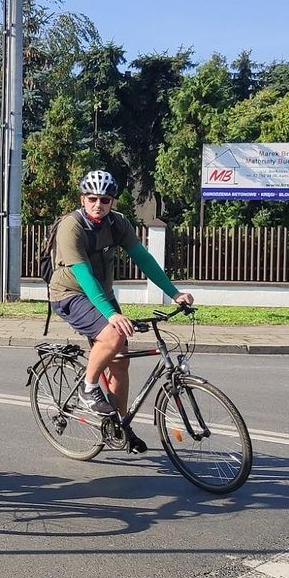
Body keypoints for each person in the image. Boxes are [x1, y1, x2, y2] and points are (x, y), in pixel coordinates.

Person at [48, 170, 194, 453]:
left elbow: (144, 259)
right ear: (83, 199)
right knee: (113, 336)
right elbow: (83, 275)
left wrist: (174, 293)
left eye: (105, 199)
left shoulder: (117, 224)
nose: (98, 204)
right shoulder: (71, 226)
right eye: (92, 198)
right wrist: (112, 315)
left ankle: (118, 424)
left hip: (102, 294)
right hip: (69, 294)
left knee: (120, 362)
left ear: (112, 201)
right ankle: (89, 387)